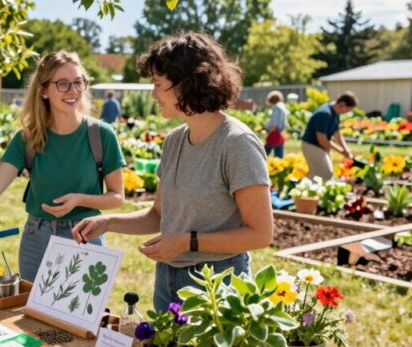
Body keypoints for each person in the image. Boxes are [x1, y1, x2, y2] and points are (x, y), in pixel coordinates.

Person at [71, 32, 272, 312]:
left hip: (218, 284)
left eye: (157, 84)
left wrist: (187, 242)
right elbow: (159, 216)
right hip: (168, 280)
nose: (153, 94)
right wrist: (108, 222)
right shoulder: (175, 140)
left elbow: (261, 234)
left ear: (186, 83)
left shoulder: (236, 143)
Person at [0, 51, 125, 281]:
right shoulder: (28, 139)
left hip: (85, 236)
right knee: (29, 314)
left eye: (78, 82)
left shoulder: (101, 135)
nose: (73, 91)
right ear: (43, 91)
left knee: (76, 316)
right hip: (36, 239)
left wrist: (80, 199)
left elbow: (116, 196)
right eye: (62, 84)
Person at [301, 92, 357, 180]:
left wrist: (346, 150)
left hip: (319, 146)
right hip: (311, 145)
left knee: (316, 174)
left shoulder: (335, 114)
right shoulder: (324, 114)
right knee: (325, 173)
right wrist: (341, 151)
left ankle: (303, 192)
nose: (346, 112)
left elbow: (337, 134)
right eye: (348, 110)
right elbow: (322, 140)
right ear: (342, 105)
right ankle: (303, 191)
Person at [264, 90, 289, 158]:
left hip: (275, 132)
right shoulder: (283, 107)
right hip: (280, 132)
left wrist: (269, 131)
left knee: (265, 151)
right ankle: (279, 164)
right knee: (278, 152)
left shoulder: (276, 108)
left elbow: (274, 123)